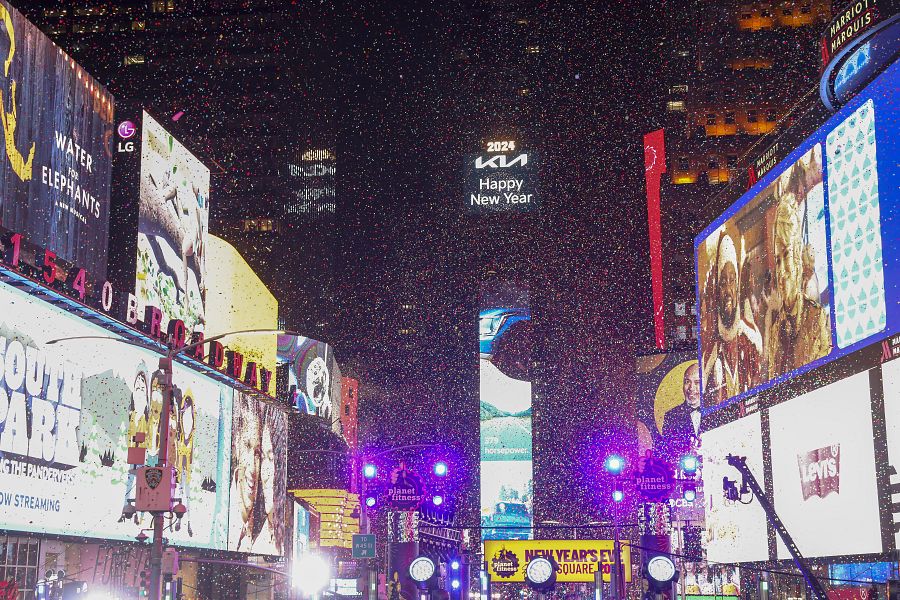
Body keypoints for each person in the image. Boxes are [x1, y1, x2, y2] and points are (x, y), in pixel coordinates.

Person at [766, 196, 831, 379]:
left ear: (797, 261)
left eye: (787, 257)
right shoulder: (775, 330)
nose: (783, 270)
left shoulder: (815, 316)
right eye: (778, 260)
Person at [702, 233, 763, 405]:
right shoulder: (709, 354)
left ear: (737, 287)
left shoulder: (752, 341)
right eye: (723, 283)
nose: (728, 291)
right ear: (716, 290)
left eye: (732, 281)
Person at [660, 363, 702, 458]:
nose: (691, 388)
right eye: (687, 382)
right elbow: (667, 453)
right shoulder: (672, 416)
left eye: (697, 382)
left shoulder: (716, 411)